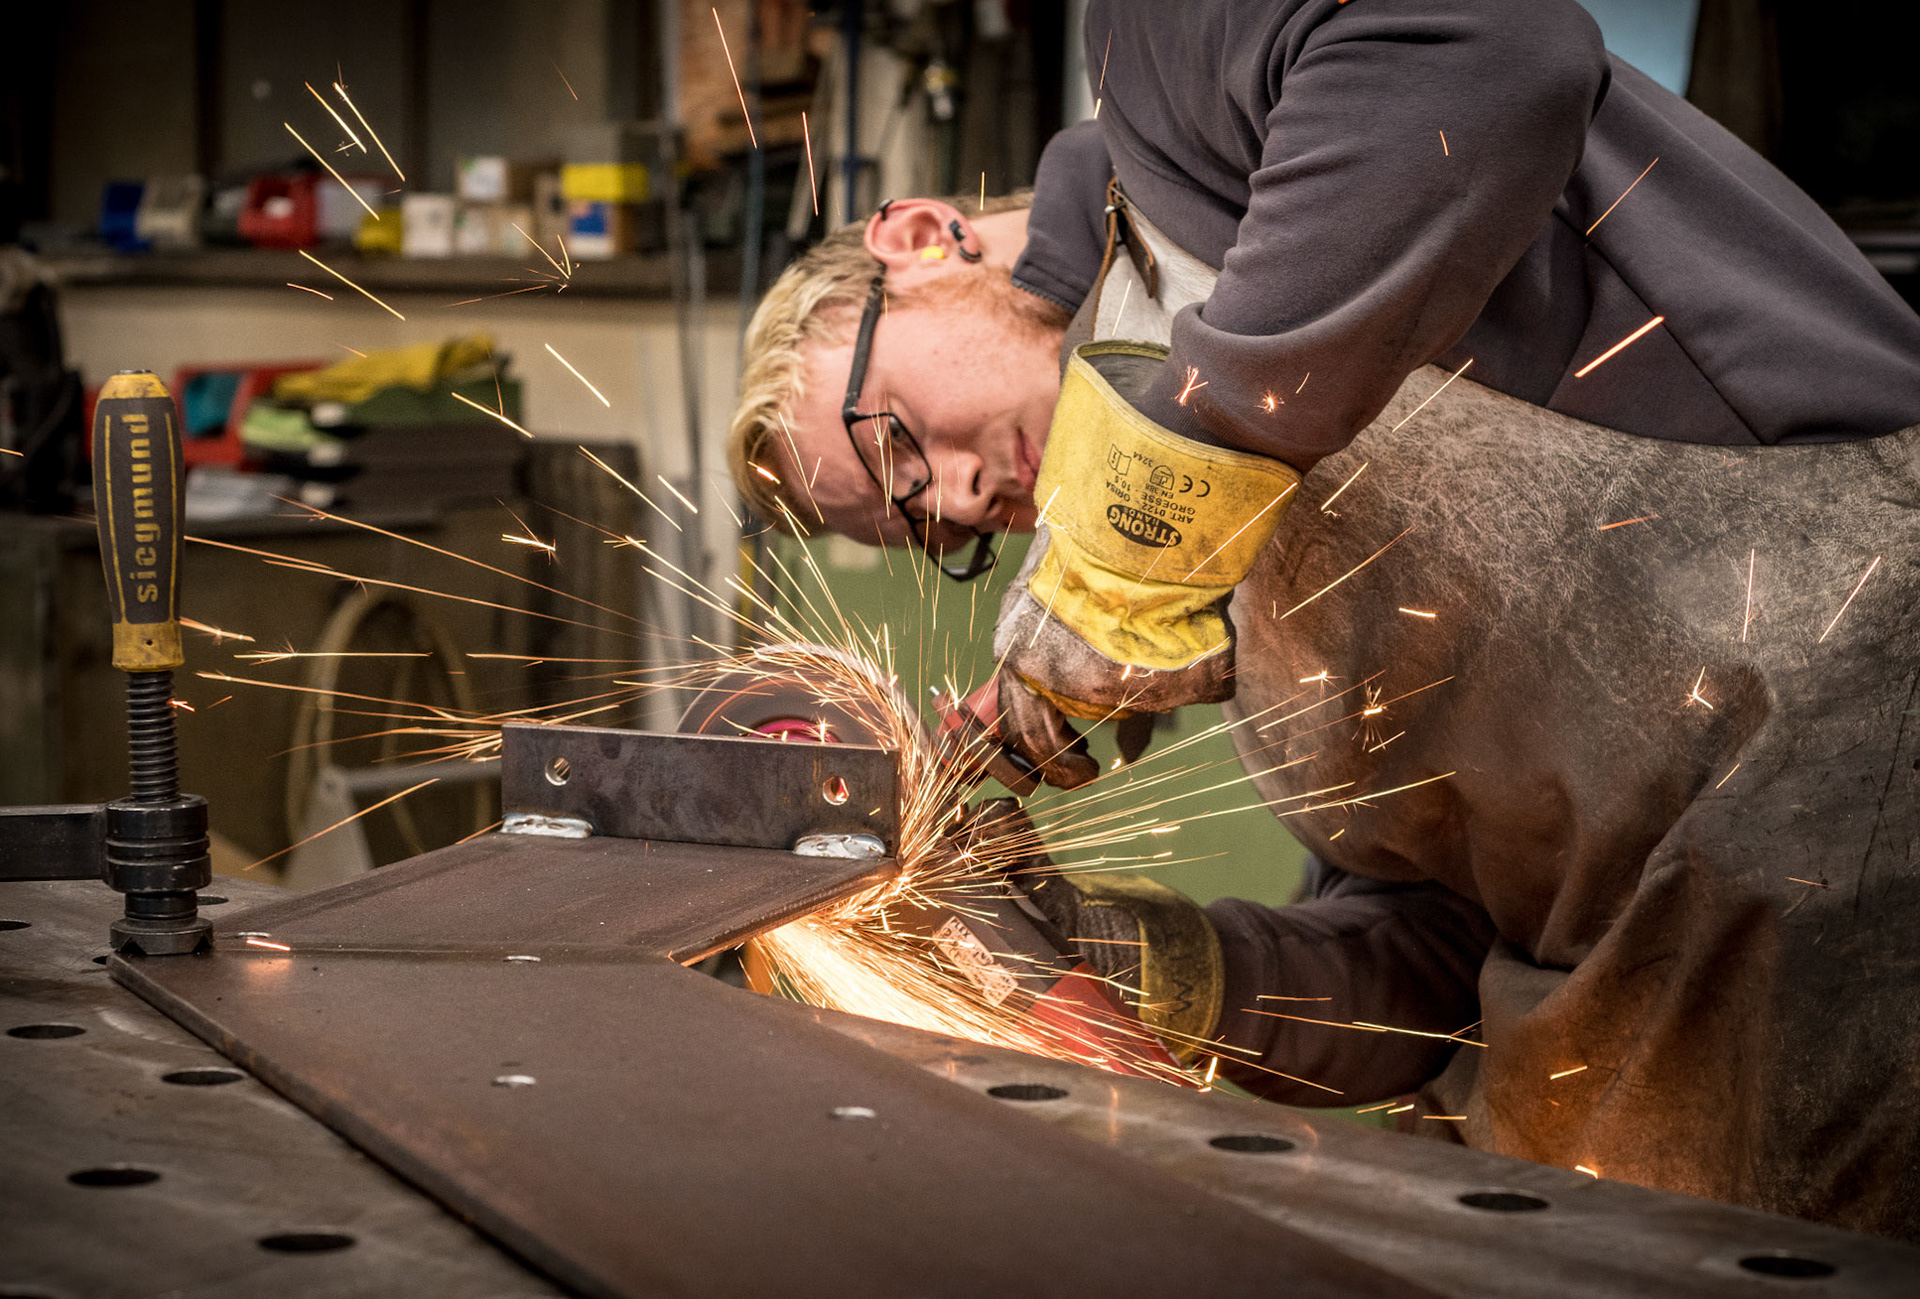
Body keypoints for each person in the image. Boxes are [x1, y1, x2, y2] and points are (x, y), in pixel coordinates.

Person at [729, 0, 1920, 1239]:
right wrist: (1116, 952)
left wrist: (1161, 498)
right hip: (1654, 1035)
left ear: (920, 240)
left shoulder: (1169, 74)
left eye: (902, 447)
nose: (970, 496)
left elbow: (1493, 51)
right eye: (936, 532)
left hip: (1868, 796)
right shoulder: (1210, 604)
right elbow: (1424, 978)